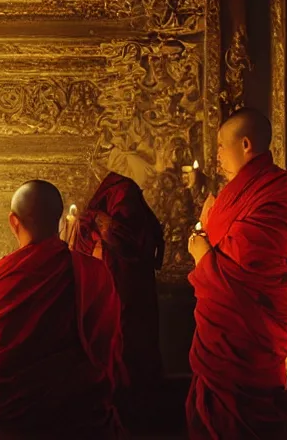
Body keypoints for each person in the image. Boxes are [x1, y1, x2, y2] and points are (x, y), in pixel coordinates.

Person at [0, 180, 122, 439]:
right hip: (79, 420)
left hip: (16, 424)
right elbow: (108, 348)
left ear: (14, 221)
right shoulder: (93, 273)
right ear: (58, 220)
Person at [187, 107, 287, 439]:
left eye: (220, 147)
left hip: (251, 333)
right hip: (224, 334)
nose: (216, 156)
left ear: (244, 144)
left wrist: (202, 256)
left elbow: (251, 260)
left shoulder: (277, 193)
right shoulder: (235, 192)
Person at [68, 172, 164, 414]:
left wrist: (100, 229)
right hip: (104, 296)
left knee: (131, 349)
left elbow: (128, 242)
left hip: (131, 295)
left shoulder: (123, 201)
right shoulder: (100, 207)